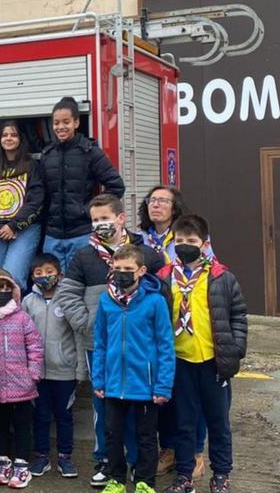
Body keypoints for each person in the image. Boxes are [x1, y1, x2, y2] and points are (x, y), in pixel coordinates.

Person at [53, 193, 163, 487]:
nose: (101, 224)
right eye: (95, 220)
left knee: (139, 413)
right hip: (100, 344)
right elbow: (67, 294)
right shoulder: (84, 255)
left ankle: (139, 465)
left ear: (121, 218)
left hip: (141, 348)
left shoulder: (146, 252)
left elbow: (163, 290)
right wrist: (87, 324)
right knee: (105, 410)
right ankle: (105, 461)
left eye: (105, 218)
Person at [157, 215, 247, 493]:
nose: (185, 246)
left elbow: (238, 316)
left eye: (192, 241)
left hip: (213, 362)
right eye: (180, 241)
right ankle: (183, 475)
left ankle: (221, 474)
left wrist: (235, 350)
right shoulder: (165, 277)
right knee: (183, 422)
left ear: (205, 244)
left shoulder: (221, 276)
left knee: (218, 422)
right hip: (180, 362)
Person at [137, 186, 211, 478]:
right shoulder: (140, 238)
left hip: (190, 330)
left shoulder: (188, 236)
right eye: (152, 200)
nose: (156, 205)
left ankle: (194, 453)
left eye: (163, 201)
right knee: (165, 395)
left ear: (175, 206)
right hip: (156, 326)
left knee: (193, 399)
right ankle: (167, 450)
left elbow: (209, 271)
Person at [92, 245, 175, 493]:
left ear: (141, 271)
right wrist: (99, 380)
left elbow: (165, 345)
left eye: (128, 269)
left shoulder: (155, 301)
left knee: (146, 438)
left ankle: (145, 481)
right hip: (114, 383)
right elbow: (101, 342)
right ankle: (116, 479)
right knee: (112, 435)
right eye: (117, 269)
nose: (122, 273)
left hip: (145, 385)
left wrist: (162, 385)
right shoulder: (106, 300)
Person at [41, 97, 125, 271]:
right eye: (56, 123)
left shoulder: (90, 151)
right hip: (52, 236)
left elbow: (116, 185)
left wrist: (89, 210)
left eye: (66, 122)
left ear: (76, 122)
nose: (60, 127)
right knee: (53, 290)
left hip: (82, 234)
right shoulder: (47, 154)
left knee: (81, 286)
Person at [0, 269, 44, 489]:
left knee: (23, 425)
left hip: (22, 384)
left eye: (7, 288)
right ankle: (3, 461)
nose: (2, 292)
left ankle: (22, 464)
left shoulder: (22, 317)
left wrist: (33, 373)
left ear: (13, 290)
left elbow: (34, 346)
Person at [22, 253, 86, 479]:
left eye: (49, 272)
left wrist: (79, 370)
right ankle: (41, 457)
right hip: (37, 373)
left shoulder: (68, 300)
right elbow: (23, 338)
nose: (44, 276)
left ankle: (65, 458)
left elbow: (78, 335)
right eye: (38, 273)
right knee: (40, 416)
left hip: (65, 371)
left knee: (64, 416)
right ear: (31, 277)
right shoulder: (28, 302)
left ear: (59, 274)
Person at [0, 120, 44, 289]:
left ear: (21, 139)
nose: (9, 138)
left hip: (24, 229)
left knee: (13, 277)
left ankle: (18, 315)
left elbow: (36, 200)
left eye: (14, 135)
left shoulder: (32, 166)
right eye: (5, 135)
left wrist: (14, 226)